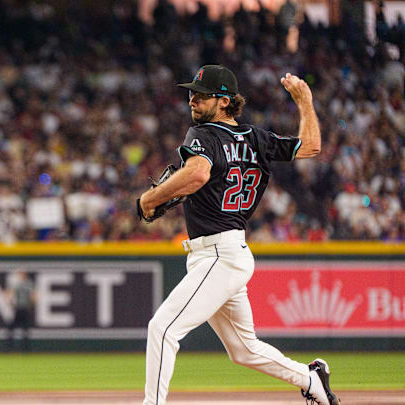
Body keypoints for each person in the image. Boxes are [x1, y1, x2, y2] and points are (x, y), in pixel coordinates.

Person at [138, 65, 340, 405]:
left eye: (202, 95)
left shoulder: (203, 135)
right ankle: (310, 378)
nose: (193, 99)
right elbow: (311, 146)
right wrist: (305, 101)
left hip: (219, 254)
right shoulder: (257, 139)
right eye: (192, 93)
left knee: (163, 329)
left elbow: (199, 173)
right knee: (243, 350)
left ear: (224, 101)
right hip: (227, 252)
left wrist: (149, 199)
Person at [4, 269, 36, 351]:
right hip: (20, 309)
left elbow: (33, 296)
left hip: (22, 309)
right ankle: (21, 348)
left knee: (22, 330)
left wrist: (11, 303)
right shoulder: (25, 283)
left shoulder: (24, 284)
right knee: (21, 330)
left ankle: (21, 348)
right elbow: (33, 297)